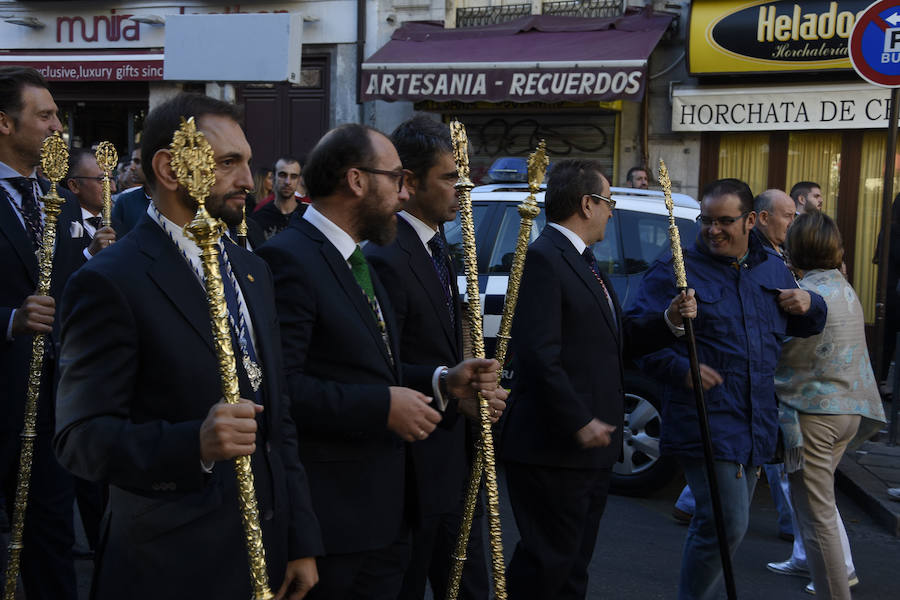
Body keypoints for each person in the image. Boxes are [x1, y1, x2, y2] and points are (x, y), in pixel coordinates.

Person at [53, 93, 323, 599]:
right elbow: (80, 439)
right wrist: (193, 444)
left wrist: (300, 536)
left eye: (248, 162)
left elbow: (278, 419)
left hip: (264, 550)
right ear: (171, 167)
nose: (249, 180)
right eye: (228, 163)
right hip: (168, 563)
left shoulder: (252, 268)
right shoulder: (110, 281)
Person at [257, 123, 502, 599]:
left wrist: (443, 382)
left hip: (386, 513)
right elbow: (281, 390)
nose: (403, 191)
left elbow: (378, 369)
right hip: (335, 517)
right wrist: (380, 407)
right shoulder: (290, 258)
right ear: (357, 181)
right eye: (396, 179)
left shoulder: (356, 257)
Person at [500, 158, 697, 599]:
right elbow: (539, 356)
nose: (613, 211)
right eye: (609, 201)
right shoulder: (544, 259)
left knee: (571, 565)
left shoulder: (585, 261)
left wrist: (667, 321)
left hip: (588, 451)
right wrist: (578, 420)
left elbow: (615, 339)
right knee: (547, 562)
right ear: (587, 204)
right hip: (554, 448)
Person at [627, 178, 827, 600]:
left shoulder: (772, 266)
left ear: (751, 220)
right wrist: (682, 368)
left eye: (725, 221)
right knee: (725, 523)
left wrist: (813, 304)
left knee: (719, 526)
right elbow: (636, 339)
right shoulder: (677, 268)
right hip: (706, 416)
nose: (713, 230)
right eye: (706, 221)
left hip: (756, 418)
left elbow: (805, 322)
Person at [365, 115, 502, 600]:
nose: (463, 190)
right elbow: (380, 366)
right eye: (450, 178)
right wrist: (447, 385)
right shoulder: (386, 254)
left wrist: (478, 377)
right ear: (410, 181)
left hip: (453, 460)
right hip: (414, 469)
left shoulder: (438, 244)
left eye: (466, 179)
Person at [0, 65, 81, 600]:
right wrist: (9, 319)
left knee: (50, 535)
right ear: (5, 124)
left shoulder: (61, 200)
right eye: (45, 115)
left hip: (53, 400)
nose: (58, 128)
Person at [774, 212, 886, 599]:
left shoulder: (805, 295)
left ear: (795, 249)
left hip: (816, 416)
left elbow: (784, 357)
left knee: (818, 518)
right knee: (819, 512)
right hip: (848, 411)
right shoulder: (842, 286)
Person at [65, 148, 120, 258]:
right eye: (102, 180)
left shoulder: (118, 222)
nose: (113, 188)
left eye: (112, 180)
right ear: (74, 186)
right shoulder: (61, 224)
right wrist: (90, 254)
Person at [251, 156, 304, 240]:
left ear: (299, 180)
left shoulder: (307, 216)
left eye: (293, 176)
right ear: (273, 177)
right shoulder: (259, 218)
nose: (288, 182)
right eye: (282, 175)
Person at [110, 145, 151, 237]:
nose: (131, 167)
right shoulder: (125, 201)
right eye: (133, 161)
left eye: (138, 162)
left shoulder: (174, 199)